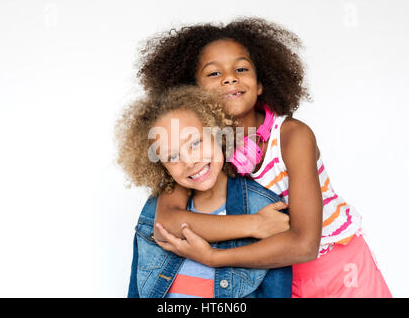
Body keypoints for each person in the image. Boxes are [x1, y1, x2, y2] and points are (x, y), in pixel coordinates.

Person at [136, 17, 392, 297]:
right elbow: (168, 223)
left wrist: (212, 257)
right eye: (213, 73)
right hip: (272, 275)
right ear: (193, 93)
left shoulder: (292, 136)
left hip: (341, 270)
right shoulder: (199, 151)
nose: (230, 77)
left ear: (260, 84)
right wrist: (255, 224)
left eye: (241, 68)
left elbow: (305, 244)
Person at [114, 85, 292, 298]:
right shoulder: (153, 212)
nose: (190, 161)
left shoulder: (264, 208)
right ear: (161, 166)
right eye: (172, 157)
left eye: (196, 143)